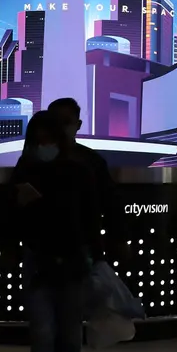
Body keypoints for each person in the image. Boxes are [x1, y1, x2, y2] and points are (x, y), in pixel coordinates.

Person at [12, 112, 101, 352]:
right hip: (40, 262)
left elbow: (90, 217)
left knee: (68, 331)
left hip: (70, 262)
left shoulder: (78, 171)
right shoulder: (25, 171)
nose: (44, 145)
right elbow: (14, 218)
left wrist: (96, 254)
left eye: (49, 138)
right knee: (44, 332)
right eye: (39, 139)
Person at [48, 98, 121, 244]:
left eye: (66, 122)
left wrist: (119, 239)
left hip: (82, 244)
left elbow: (110, 204)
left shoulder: (93, 161)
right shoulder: (34, 159)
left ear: (78, 125)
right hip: (42, 245)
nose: (61, 128)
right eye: (55, 123)